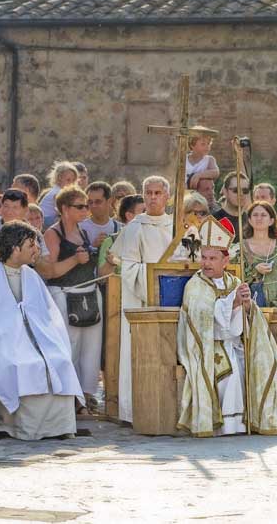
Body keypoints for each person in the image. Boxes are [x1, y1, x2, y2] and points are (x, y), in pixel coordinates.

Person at [176, 217, 277, 437]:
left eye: (212, 258)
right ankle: (228, 426)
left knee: (262, 362)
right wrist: (232, 303)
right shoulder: (195, 285)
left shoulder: (234, 282)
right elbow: (202, 319)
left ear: (225, 261)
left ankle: (253, 420)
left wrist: (246, 306)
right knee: (232, 369)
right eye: (204, 258)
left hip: (234, 341)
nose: (206, 263)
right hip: (206, 346)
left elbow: (246, 320)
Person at [0, 221, 83, 440]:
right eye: (31, 245)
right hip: (2, 341)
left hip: (38, 338)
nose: (37, 250)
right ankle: (20, 427)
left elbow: (47, 314)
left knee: (59, 360)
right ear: (14, 248)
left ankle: (58, 427)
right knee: (21, 363)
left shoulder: (31, 275)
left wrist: (47, 338)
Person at [110, 176, 174, 423]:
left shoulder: (176, 226)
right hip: (141, 299)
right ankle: (135, 409)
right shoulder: (135, 228)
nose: (153, 197)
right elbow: (128, 268)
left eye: (158, 193)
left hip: (172, 301)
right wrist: (153, 282)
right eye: (149, 193)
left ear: (167, 197)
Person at [44, 186, 102, 413]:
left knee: (91, 348)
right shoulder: (52, 234)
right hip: (64, 295)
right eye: (80, 206)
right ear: (64, 209)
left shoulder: (84, 232)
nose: (86, 210)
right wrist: (75, 261)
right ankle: (69, 394)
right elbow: (50, 271)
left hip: (88, 293)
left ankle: (86, 394)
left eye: (86, 205)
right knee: (69, 347)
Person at [237, 201, 277, 380]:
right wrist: (255, 271)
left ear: (272, 220)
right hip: (249, 311)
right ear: (249, 219)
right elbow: (234, 280)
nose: (259, 218)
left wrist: (276, 308)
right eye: (255, 215)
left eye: (263, 215)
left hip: (276, 313)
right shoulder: (239, 248)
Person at [0, 189, 52, 276]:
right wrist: (4, 255)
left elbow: (48, 273)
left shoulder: (36, 235)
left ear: (26, 210)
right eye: (6, 206)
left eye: (15, 207)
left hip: (25, 287)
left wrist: (35, 257)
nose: (9, 212)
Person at [98, 194, 145, 277]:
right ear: (129, 216)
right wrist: (110, 263)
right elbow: (102, 279)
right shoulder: (111, 242)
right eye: (144, 212)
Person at [81, 181, 122, 251]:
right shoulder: (80, 228)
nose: (93, 206)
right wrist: (93, 246)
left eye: (98, 202)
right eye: (90, 202)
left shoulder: (120, 228)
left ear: (109, 201)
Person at [39, 161, 79, 227]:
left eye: (73, 181)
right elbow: (60, 211)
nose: (71, 183)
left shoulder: (58, 189)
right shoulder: (57, 192)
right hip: (45, 219)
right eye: (68, 180)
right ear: (60, 178)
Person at [215, 173, 250, 242]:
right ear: (225, 191)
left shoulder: (252, 221)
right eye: (235, 190)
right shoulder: (214, 221)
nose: (241, 194)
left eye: (245, 191)